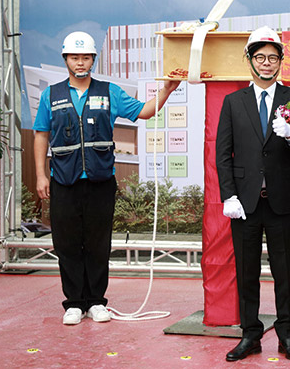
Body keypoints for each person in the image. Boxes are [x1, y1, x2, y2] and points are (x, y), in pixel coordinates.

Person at [34, 31, 180, 326]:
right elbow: (41, 134)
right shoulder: (51, 95)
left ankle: (97, 302)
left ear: (93, 60)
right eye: (74, 57)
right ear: (65, 60)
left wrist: (167, 90)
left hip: (100, 180)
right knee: (67, 244)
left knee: (98, 243)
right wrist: (40, 175)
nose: (80, 62)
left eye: (85, 57)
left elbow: (144, 111)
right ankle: (74, 303)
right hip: (63, 180)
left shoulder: (109, 92)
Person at [216, 26, 290, 362]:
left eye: (273, 57)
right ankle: (250, 334)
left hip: (280, 200)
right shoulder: (233, 102)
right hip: (244, 203)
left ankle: (286, 333)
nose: (267, 63)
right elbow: (222, 153)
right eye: (260, 57)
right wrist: (228, 195)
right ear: (250, 60)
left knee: (284, 271)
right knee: (247, 271)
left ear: (281, 61)